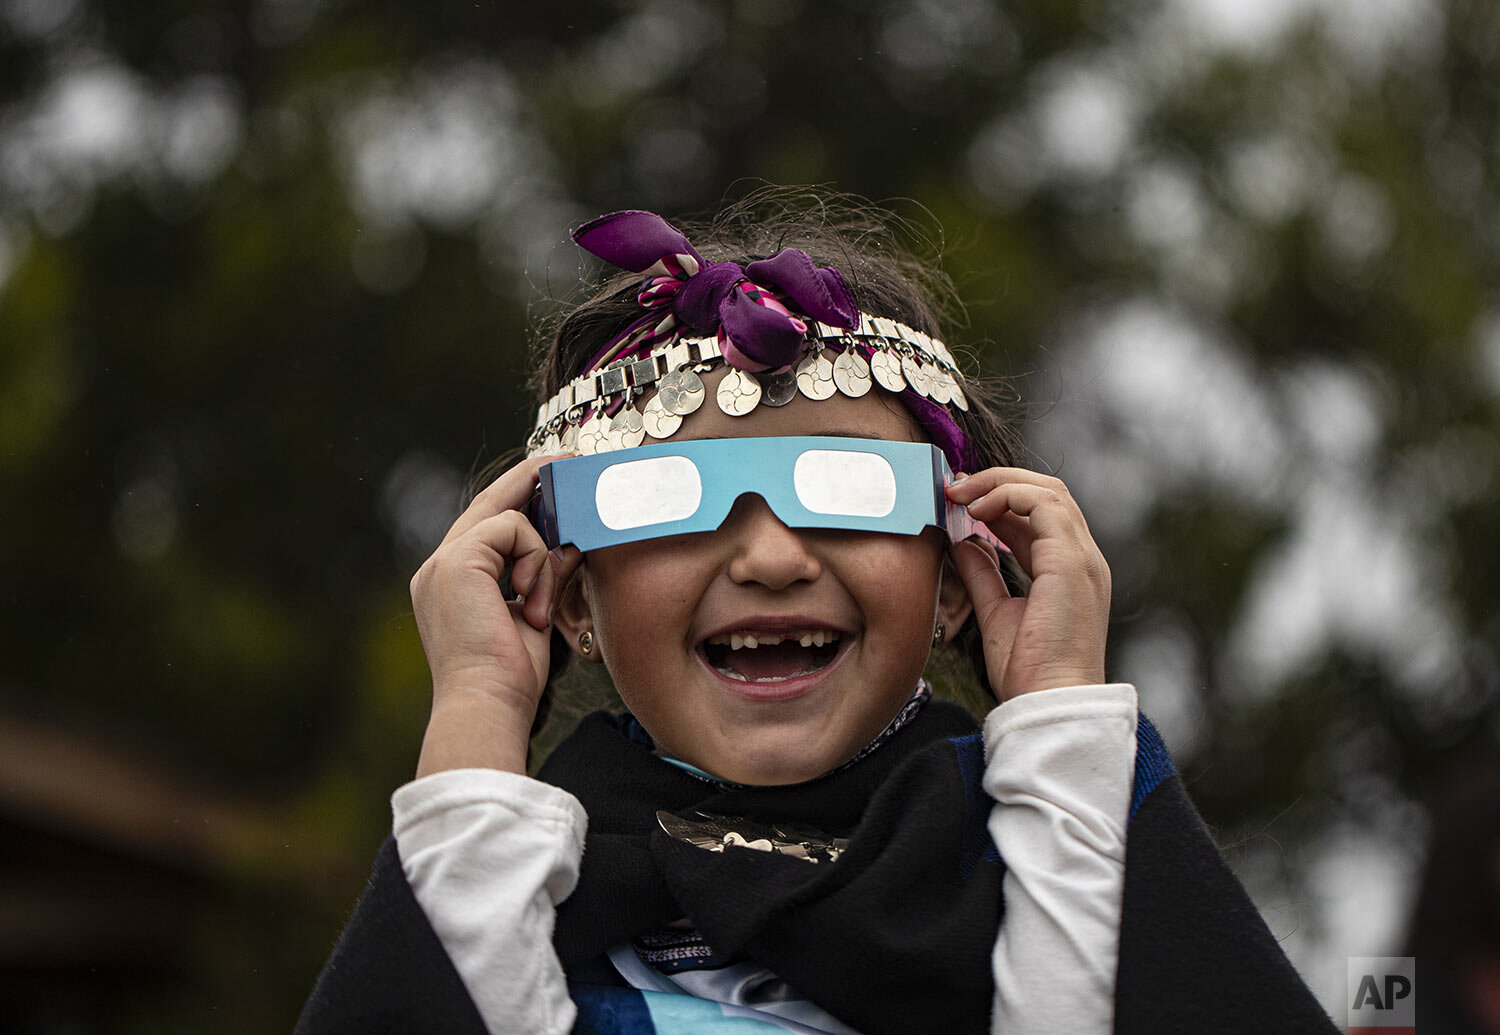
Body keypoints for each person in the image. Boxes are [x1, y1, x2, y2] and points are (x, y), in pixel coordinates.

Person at [295, 190, 1337, 1034]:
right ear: (570, 594)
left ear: (955, 560)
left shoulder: (1062, 854)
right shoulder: (519, 900)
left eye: (847, 490)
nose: (772, 556)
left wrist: (1064, 717)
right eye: (666, 505)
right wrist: (475, 712)